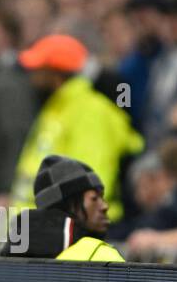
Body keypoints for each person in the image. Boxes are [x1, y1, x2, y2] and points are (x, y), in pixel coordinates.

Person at [8, 34, 144, 222]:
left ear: (55, 73)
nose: (32, 76)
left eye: (38, 69)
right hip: (40, 227)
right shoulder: (55, 109)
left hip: (72, 231)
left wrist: (63, 228)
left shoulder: (90, 112)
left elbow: (90, 180)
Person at [5, 155, 124, 262]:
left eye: (102, 198)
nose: (105, 206)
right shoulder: (98, 254)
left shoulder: (10, 258)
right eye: (94, 198)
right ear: (69, 205)